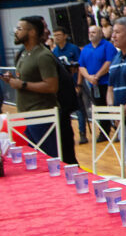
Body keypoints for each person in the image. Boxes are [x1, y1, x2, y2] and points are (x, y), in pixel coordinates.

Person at [2, 17, 60, 159]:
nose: (16, 32)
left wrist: (22, 84)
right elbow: (27, 80)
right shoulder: (24, 54)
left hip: (41, 115)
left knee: (48, 158)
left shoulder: (42, 55)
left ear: (32, 32)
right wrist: (13, 80)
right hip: (28, 115)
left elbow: (52, 86)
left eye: (19, 29)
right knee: (37, 160)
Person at [51, 26, 86, 144]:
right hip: (63, 87)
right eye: (55, 35)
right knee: (65, 111)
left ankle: (82, 133)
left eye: (59, 35)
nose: (56, 37)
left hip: (75, 83)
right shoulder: (54, 51)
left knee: (79, 109)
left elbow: (80, 66)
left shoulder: (73, 48)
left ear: (65, 36)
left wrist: (79, 84)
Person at [78, 25, 117, 130]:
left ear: (100, 34)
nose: (91, 34)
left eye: (94, 32)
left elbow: (109, 62)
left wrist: (97, 75)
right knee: (100, 109)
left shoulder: (108, 46)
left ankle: (117, 130)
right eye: (89, 32)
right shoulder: (86, 49)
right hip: (93, 85)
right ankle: (104, 131)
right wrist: (89, 78)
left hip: (107, 83)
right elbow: (81, 66)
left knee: (112, 107)